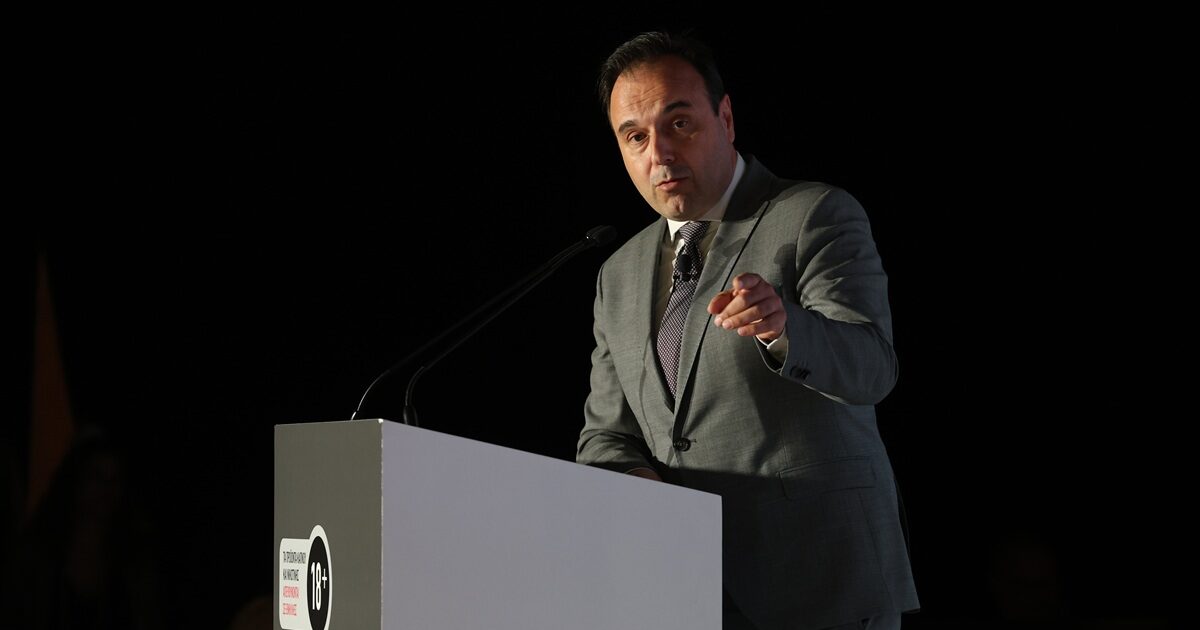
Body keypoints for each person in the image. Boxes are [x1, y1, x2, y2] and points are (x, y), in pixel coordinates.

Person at [576, 31, 920, 630]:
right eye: (635, 137)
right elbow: (605, 435)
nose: (659, 153)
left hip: (820, 581)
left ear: (726, 118)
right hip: (684, 591)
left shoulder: (814, 214)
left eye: (679, 123)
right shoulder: (618, 273)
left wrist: (785, 330)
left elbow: (872, 369)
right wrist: (637, 485)